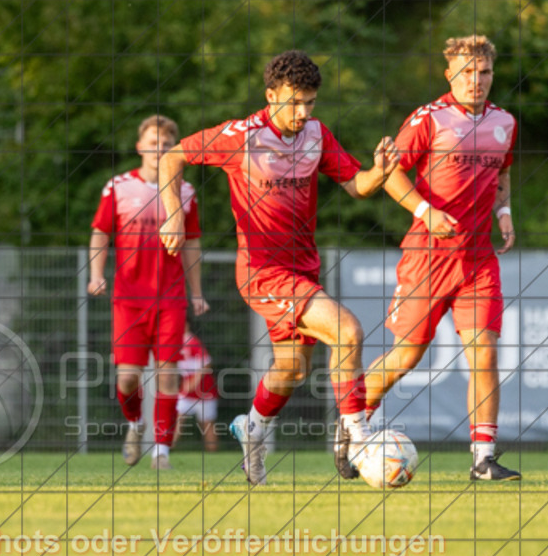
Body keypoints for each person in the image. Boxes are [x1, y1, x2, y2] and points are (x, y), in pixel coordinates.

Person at [158, 50, 398, 485]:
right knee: (347, 331)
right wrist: (174, 212)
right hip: (262, 271)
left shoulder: (317, 135)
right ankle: (356, 436)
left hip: (303, 269)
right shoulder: (241, 136)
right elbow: (171, 157)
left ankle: (252, 429)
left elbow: (356, 186)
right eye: (294, 102)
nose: (303, 112)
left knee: (292, 370)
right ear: (271, 96)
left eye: (310, 102)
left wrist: (380, 172)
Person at [363, 35, 520, 481]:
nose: (476, 81)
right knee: (406, 357)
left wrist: (504, 212)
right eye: (467, 72)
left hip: (477, 260)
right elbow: (389, 175)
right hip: (428, 258)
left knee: (485, 354)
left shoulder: (505, 122)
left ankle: (483, 458)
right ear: (449, 74)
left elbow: (503, 171)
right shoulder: (428, 119)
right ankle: (351, 422)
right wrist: (424, 211)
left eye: (484, 72)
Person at [88, 114, 209, 471]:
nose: (160, 149)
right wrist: (96, 274)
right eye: (154, 143)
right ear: (140, 147)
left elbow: (192, 243)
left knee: (168, 375)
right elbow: (101, 233)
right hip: (129, 299)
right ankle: (135, 423)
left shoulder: (185, 191)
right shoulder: (119, 187)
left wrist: (197, 292)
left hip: (170, 299)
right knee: (127, 379)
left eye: (167, 145)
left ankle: (161, 452)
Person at [174, 322, 219, 452]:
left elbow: (206, 363)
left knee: (207, 424)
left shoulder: (192, 342)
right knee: (176, 419)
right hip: (187, 392)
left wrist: (193, 382)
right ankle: (165, 451)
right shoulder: (176, 343)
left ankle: (213, 455)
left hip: (205, 391)